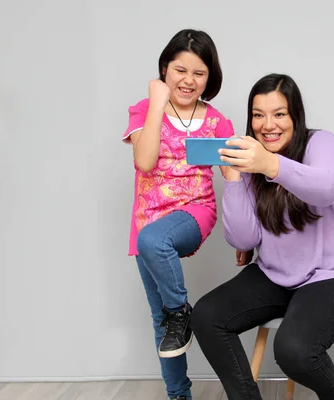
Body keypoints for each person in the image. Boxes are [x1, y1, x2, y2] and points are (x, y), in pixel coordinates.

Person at [191, 73, 334, 400]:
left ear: (295, 115)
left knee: (293, 350)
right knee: (207, 316)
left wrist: (269, 163)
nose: (268, 125)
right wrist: (236, 179)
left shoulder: (320, 143)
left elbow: (324, 189)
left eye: (279, 114)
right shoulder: (253, 161)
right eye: (258, 115)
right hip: (281, 275)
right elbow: (242, 239)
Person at [121, 29, 234, 400]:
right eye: (179, 70)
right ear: (164, 70)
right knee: (163, 324)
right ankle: (179, 395)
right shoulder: (144, 109)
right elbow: (144, 160)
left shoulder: (218, 122)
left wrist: (244, 236)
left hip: (194, 212)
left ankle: (180, 311)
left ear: (209, 77)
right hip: (148, 217)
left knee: (153, 241)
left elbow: (235, 184)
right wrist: (157, 104)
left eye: (198, 73)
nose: (188, 80)